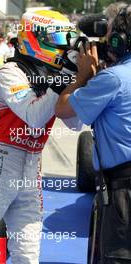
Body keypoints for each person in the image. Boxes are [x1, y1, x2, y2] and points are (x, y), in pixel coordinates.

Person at [0, 10, 80, 264]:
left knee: (28, 251)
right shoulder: (9, 72)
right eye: (58, 40)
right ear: (34, 38)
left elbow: (75, 123)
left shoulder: (53, 76)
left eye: (68, 39)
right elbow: (34, 117)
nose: (64, 47)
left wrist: (77, 83)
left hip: (32, 165)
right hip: (1, 163)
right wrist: (64, 79)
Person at [55, 5, 131, 264]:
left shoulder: (113, 79)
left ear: (121, 39)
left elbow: (63, 109)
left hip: (123, 193)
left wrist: (82, 76)